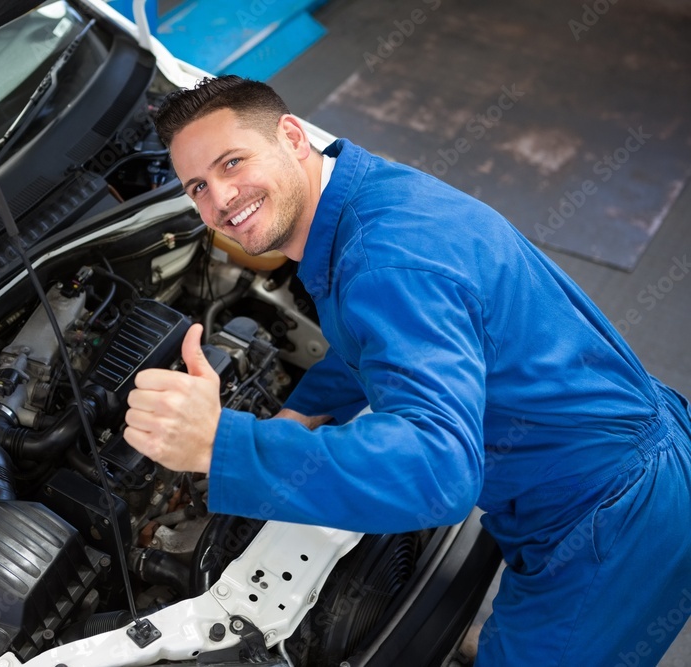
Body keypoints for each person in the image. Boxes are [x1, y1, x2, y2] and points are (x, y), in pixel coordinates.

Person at [121, 75, 691, 664]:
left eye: (232, 162)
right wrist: (300, 411)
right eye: (198, 187)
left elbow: (440, 473)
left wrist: (224, 446)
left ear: (291, 136)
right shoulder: (363, 195)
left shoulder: (384, 262)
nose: (220, 200)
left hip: (610, 520)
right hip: (601, 455)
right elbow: (367, 336)